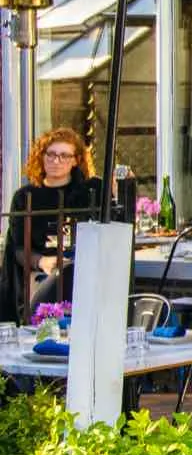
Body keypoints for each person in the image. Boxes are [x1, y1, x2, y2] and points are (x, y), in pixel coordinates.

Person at [3, 128, 104, 320]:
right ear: (41, 157)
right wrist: (42, 262)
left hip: (83, 273)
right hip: (40, 275)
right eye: (51, 154)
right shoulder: (25, 197)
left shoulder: (89, 192)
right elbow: (17, 248)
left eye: (64, 155)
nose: (56, 161)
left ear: (76, 160)